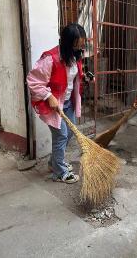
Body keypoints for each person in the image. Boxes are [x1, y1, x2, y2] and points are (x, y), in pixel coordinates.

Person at [27, 23, 87, 184]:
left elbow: (73, 75)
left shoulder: (75, 56)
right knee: (61, 136)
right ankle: (60, 172)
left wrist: (85, 76)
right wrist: (48, 96)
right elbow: (33, 82)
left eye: (81, 44)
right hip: (54, 105)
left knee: (70, 133)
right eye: (76, 45)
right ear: (67, 43)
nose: (80, 48)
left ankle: (54, 163)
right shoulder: (50, 59)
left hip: (68, 103)